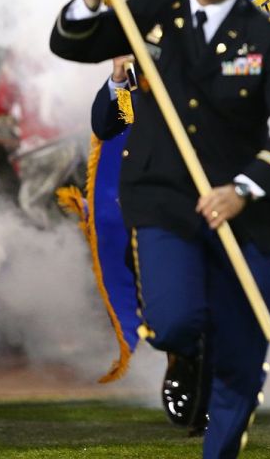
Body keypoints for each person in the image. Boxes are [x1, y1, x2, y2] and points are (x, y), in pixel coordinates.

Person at [50, 0, 270, 459]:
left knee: (242, 361)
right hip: (165, 201)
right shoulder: (148, 12)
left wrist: (245, 188)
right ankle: (191, 353)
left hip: (242, 207)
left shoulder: (268, 38)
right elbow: (72, 43)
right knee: (174, 324)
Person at [90, 57, 210, 434]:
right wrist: (119, 76)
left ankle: (211, 379)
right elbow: (106, 123)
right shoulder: (138, 83)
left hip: (216, 196)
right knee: (164, 302)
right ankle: (181, 358)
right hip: (156, 206)